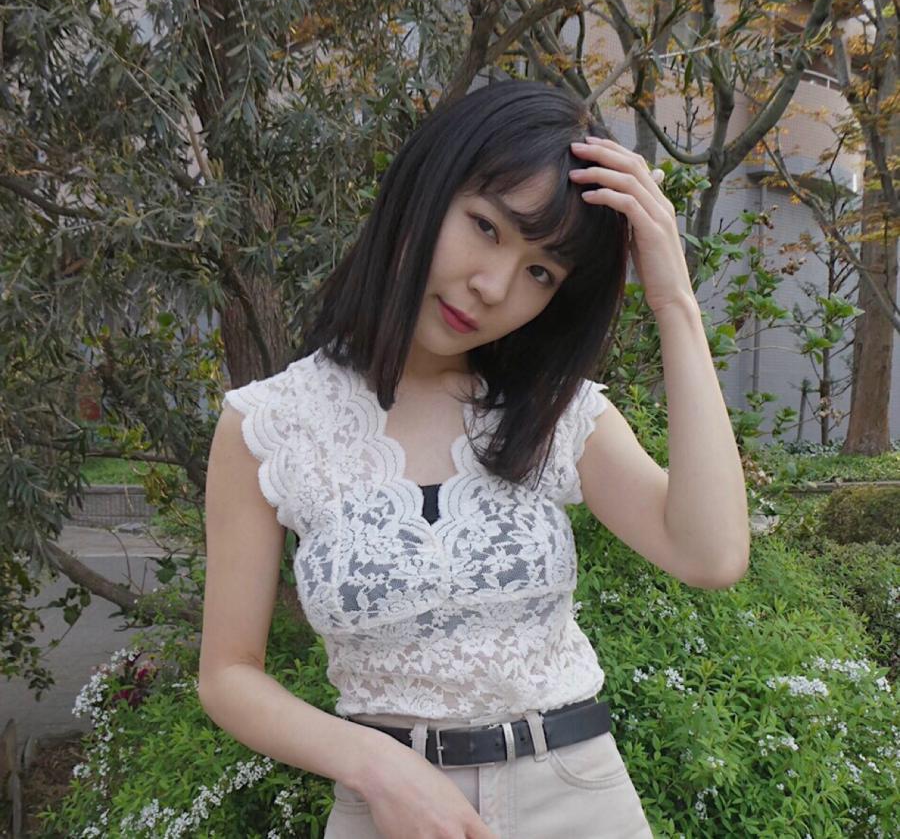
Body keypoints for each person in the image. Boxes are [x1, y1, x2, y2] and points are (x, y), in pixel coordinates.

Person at [199, 79, 750, 839]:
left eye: (540, 272)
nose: (492, 287)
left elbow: (711, 554)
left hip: (577, 802)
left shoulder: (555, 412)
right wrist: (373, 764)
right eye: (486, 227)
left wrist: (675, 303)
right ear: (428, 190)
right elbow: (228, 674)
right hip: (387, 813)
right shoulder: (269, 425)